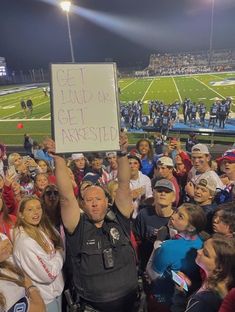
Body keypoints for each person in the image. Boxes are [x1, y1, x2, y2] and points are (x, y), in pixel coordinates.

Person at [47, 133, 139, 312]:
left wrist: (122, 154)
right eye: (89, 200)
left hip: (129, 303)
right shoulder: (77, 226)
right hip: (92, 306)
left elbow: (124, 184)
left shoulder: (119, 219)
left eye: (99, 198)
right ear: (81, 204)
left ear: (108, 201)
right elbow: (66, 197)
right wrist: (58, 158)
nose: (95, 203)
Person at [147, 203, 207, 311]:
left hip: (163, 298)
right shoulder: (203, 243)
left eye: (180, 216)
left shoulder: (168, 247)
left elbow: (152, 273)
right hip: (186, 298)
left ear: (191, 227)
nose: (173, 216)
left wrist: (158, 244)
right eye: (176, 212)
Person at [13, 196, 64, 311]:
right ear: (21, 214)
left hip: (55, 294)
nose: (36, 212)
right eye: (30, 210)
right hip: (46, 299)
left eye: (38, 208)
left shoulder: (39, 230)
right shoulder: (26, 243)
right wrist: (60, 254)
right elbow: (49, 275)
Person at [185, 235, 235, 312]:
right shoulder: (222, 284)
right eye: (202, 247)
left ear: (219, 267)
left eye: (205, 253)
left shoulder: (204, 302)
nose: (198, 251)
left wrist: (179, 294)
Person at [0, 233, 45, 312]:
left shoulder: (4, 265)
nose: (5, 242)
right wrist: (31, 288)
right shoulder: (5, 289)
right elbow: (39, 309)